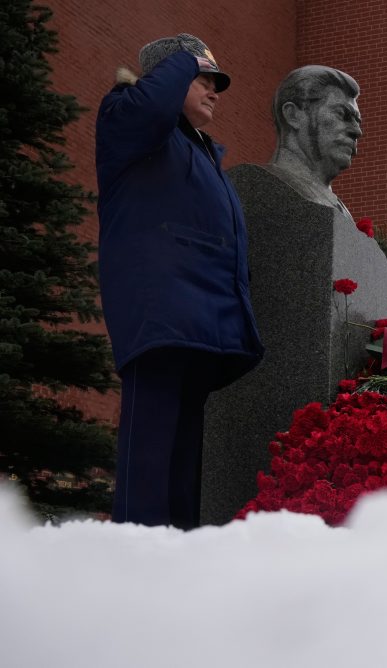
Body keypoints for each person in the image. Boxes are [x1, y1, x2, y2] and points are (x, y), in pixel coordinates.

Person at [96, 34, 263, 528]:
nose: (214, 91)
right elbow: (149, 105)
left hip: (201, 322)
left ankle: (178, 556)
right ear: (167, 78)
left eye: (216, 82)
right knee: (148, 455)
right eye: (203, 79)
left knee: (184, 461)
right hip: (160, 315)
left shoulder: (201, 151)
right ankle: (134, 556)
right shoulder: (128, 119)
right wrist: (185, 58)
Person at [263, 65, 362, 210]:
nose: (357, 131)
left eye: (358, 121)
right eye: (341, 114)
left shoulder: (339, 208)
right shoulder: (264, 186)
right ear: (293, 115)